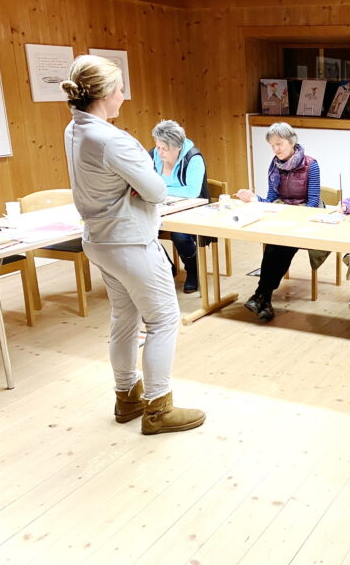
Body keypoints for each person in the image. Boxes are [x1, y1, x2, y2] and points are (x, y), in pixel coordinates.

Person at [61, 55, 205, 435]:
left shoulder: (74, 129)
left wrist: (132, 184)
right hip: (130, 241)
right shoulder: (111, 139)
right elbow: (156, 190)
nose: (124, 96)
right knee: (163, 320)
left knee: (124, 319)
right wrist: (138, 183)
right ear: (106, 93)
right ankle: (158, 408)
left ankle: (127, 397)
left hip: (100, 240)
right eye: (121, 89)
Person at [236, 122, 321, 321]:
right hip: (282, 216)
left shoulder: (311, 164)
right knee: (275, 246)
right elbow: (271, 199)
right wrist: (253, 198)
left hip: (305, 217)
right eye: (272, 145)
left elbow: (313, 202)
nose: (275, 149)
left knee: (282, 246)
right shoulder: (275, 165)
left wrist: (294, 218)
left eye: (279, 144)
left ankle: (261, 295)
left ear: (292, 142)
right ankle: (263, 299)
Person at [150, 119, 207, 293]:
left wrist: (160, 189)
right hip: (160, 208)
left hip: (193, 208)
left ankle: (193, 270)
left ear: (178, 147)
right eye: (158, 147)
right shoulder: (154, 155)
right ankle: (167, 267)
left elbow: (192, 191)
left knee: (179, 234)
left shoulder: (193, 158)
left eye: (164, 148)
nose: (159, 152)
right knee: (142, 230)